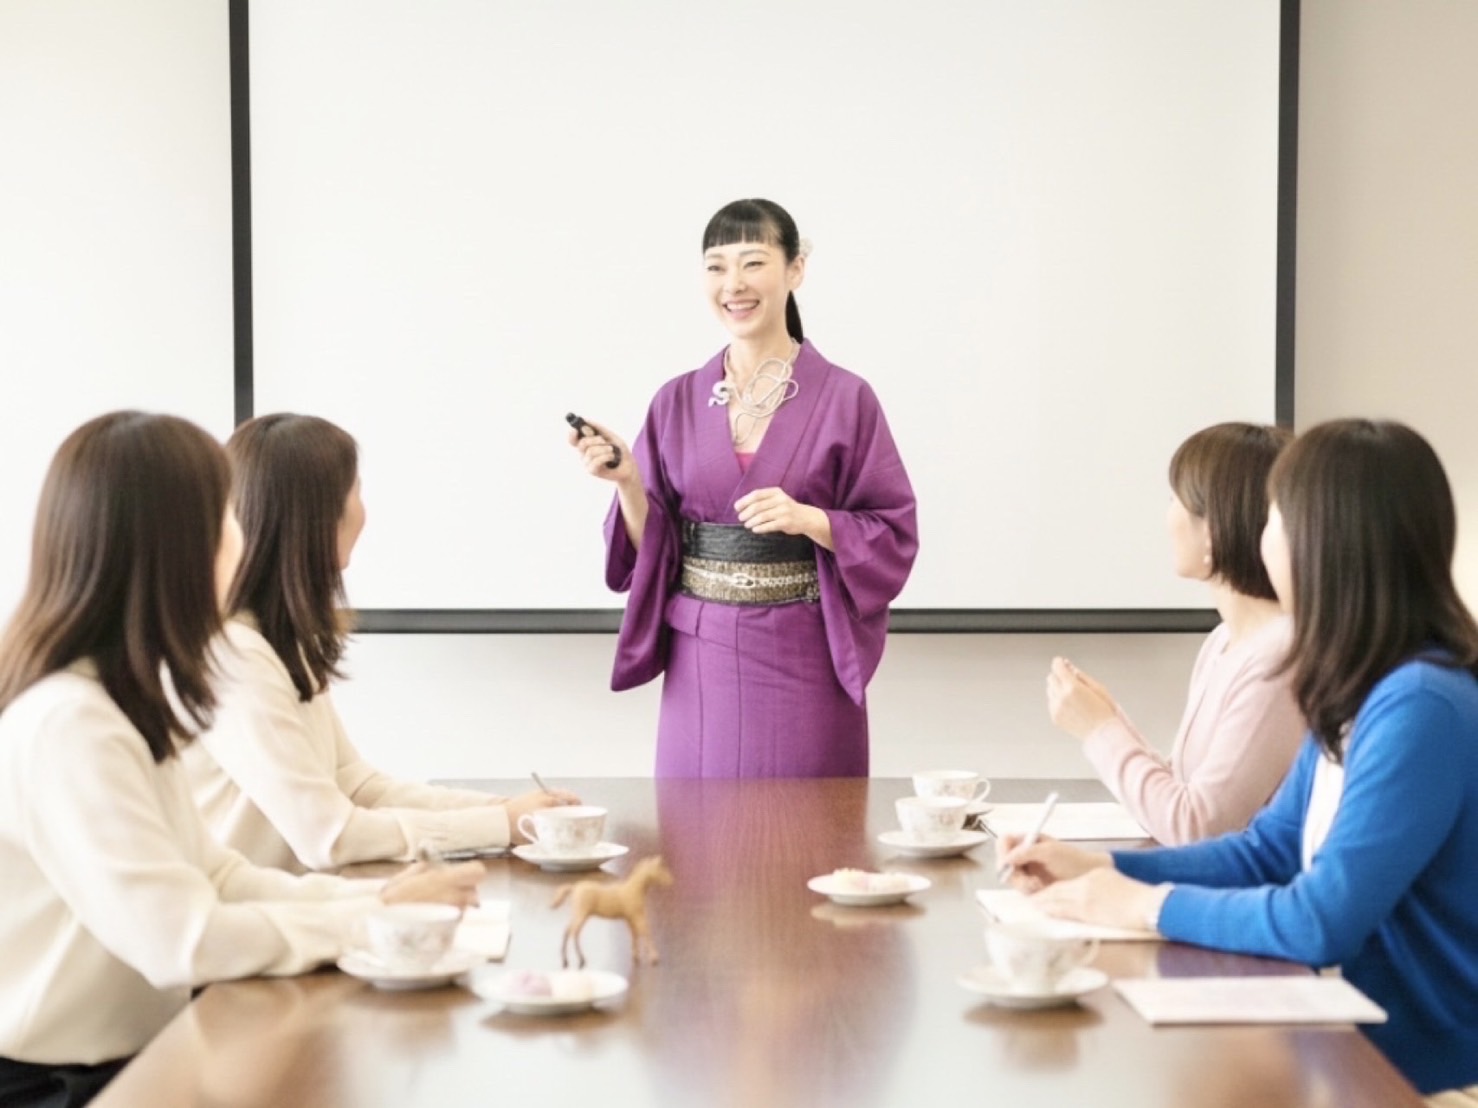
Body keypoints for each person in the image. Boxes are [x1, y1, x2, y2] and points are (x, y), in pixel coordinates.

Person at [0, 412, 482, 1107]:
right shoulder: (71, 723)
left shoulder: (116, 698)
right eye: (225, 516)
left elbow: (217, 875)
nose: (241, 534)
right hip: (66, 1085)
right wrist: (372, 922)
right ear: (175, 544)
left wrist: (377, 901)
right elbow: (183, 940)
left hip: (133, 1056)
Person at [1000, 419, 1478, 1098]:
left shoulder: (1419, 704)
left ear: (1323, 538)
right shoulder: (1365, 685)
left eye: (1275, 516)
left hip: (1417, 1079)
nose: (1261, 536)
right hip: (1354, 1047)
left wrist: (1143, 905)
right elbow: (1266, 852)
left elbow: (1319, 920)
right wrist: (1102, 867)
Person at [570, 198, 918, 777]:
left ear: (795, 269)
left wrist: (812, 520)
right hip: (700, 655)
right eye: (717, 266)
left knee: (809, 820)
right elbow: (653, 546)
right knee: (697, 820)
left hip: (805, 650)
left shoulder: (846, 397)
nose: (733, 283)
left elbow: (893, 530)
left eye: (753, 262)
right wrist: (628, 482)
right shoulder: (676, 399)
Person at [184, 413, 576, 873]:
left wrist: (509, 810)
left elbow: (356, 785)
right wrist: (502, 824)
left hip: (303, 900)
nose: (362, 512)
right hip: (262, 911)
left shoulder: (280, 639)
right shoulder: (238, 658)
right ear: (316, 517)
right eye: (355, 492)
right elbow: (329, 835)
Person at [1044, 422, 1304, 843]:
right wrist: (1110, 718)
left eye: (1175, 500)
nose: (1167, 517)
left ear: (1213, 525)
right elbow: (1180, 795)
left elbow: (1196, 826)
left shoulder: (1278, 657)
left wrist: (1098, 729)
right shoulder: (1223, 641)